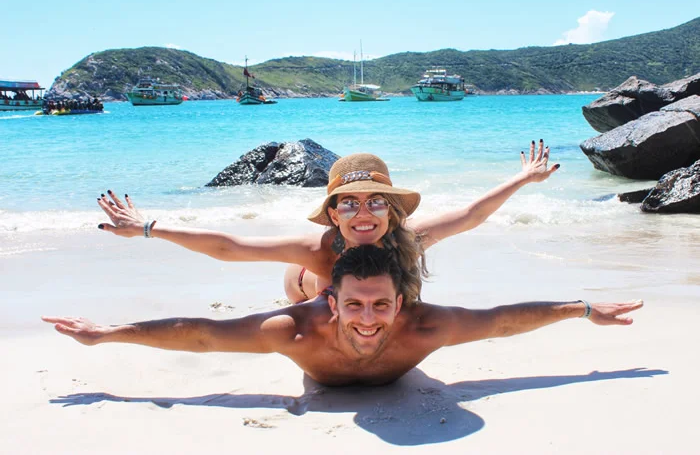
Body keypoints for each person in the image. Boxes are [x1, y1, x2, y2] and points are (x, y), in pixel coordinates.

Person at [43, 245, 643, 387]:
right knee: (300, 273)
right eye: (354, 304)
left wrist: (583, 309)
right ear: (333, 306)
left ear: (403, 304)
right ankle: (316, 265)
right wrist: (108, 334)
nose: (368, 318)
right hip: (310, 288)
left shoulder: (426, 325)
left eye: (382, 304)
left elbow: (502, 319)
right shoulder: (295, 329)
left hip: (357, 282)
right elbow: (201, 335)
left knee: (393, 263)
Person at [97, 140, 559, 303]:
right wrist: (147, 228)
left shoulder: (411, 238)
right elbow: (230, 247)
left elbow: (472, 214)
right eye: (349, 204)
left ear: (393, 211)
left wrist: (522, 179)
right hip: (302, 286)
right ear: (333, 213)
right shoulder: (315, 249)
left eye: (377, 202)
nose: (363, 212)